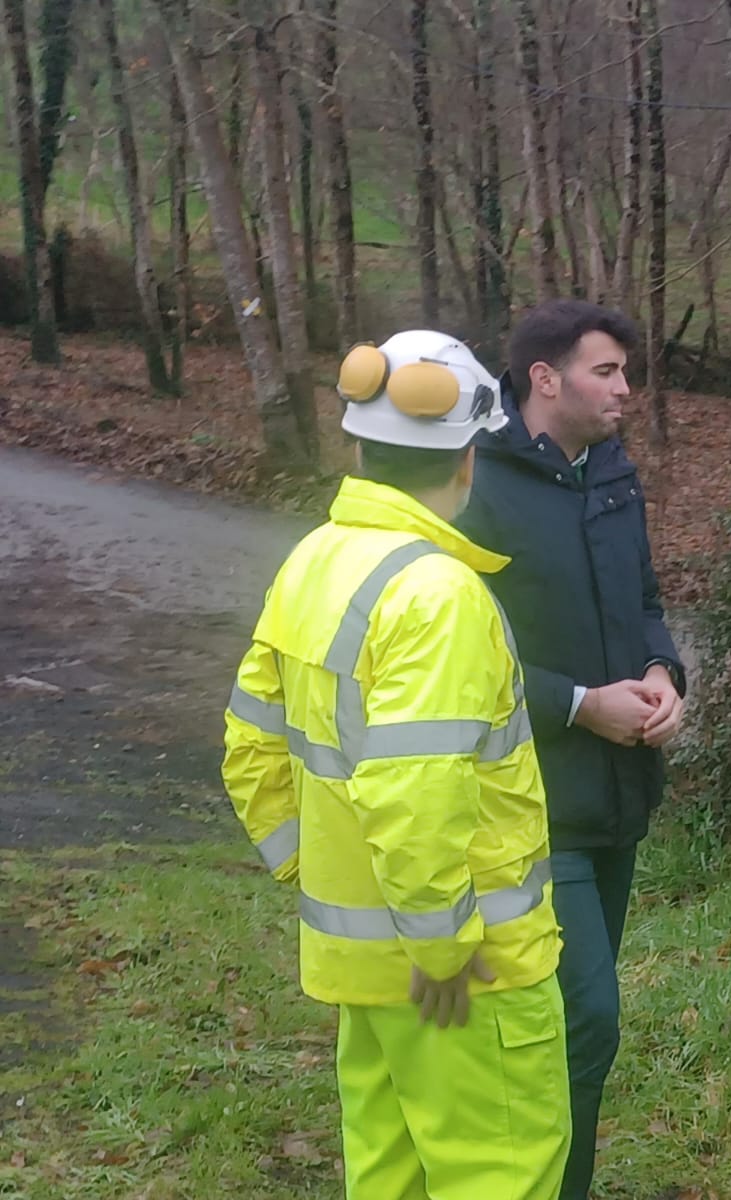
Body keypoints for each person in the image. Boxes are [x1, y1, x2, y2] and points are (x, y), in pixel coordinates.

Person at [221, 330, 570, 1199]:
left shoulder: (314, 559)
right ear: (468, 459)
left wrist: (313, 867)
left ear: (360, 445)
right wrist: (442, 949)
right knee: (498, 1175)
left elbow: (247, 746)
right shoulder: (439, 594)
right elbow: (414, 793)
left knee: (389, 1178)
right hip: (462, 975)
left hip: (367, 970)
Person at [456, 299, 686, 1200]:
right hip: (530, 803)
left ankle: (557, 1178)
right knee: (584, 1017)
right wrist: (579, 703)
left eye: (626, 371)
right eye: (608, 371)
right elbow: (462, 655)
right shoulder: (480, 484)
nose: (626, 388)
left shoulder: (613, 472)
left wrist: (663, 670)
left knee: (570, 1027)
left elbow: (645, 598)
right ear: (543, 379)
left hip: (619, 796)